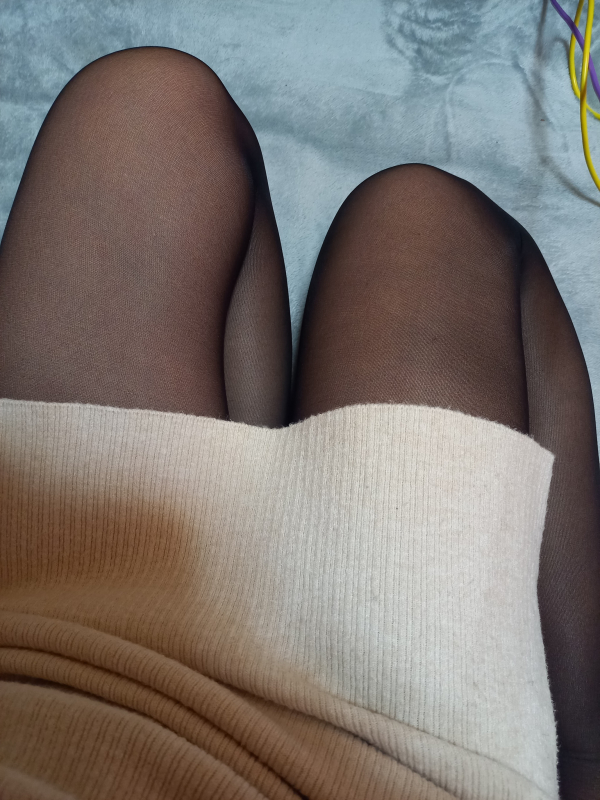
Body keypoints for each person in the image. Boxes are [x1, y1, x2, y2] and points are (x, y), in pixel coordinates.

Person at [0, 45, 598, 800]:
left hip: (36, 676)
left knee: (145, 105)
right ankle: (586, 764)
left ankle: (246, 554)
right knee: (427, 219)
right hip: (363, 778)